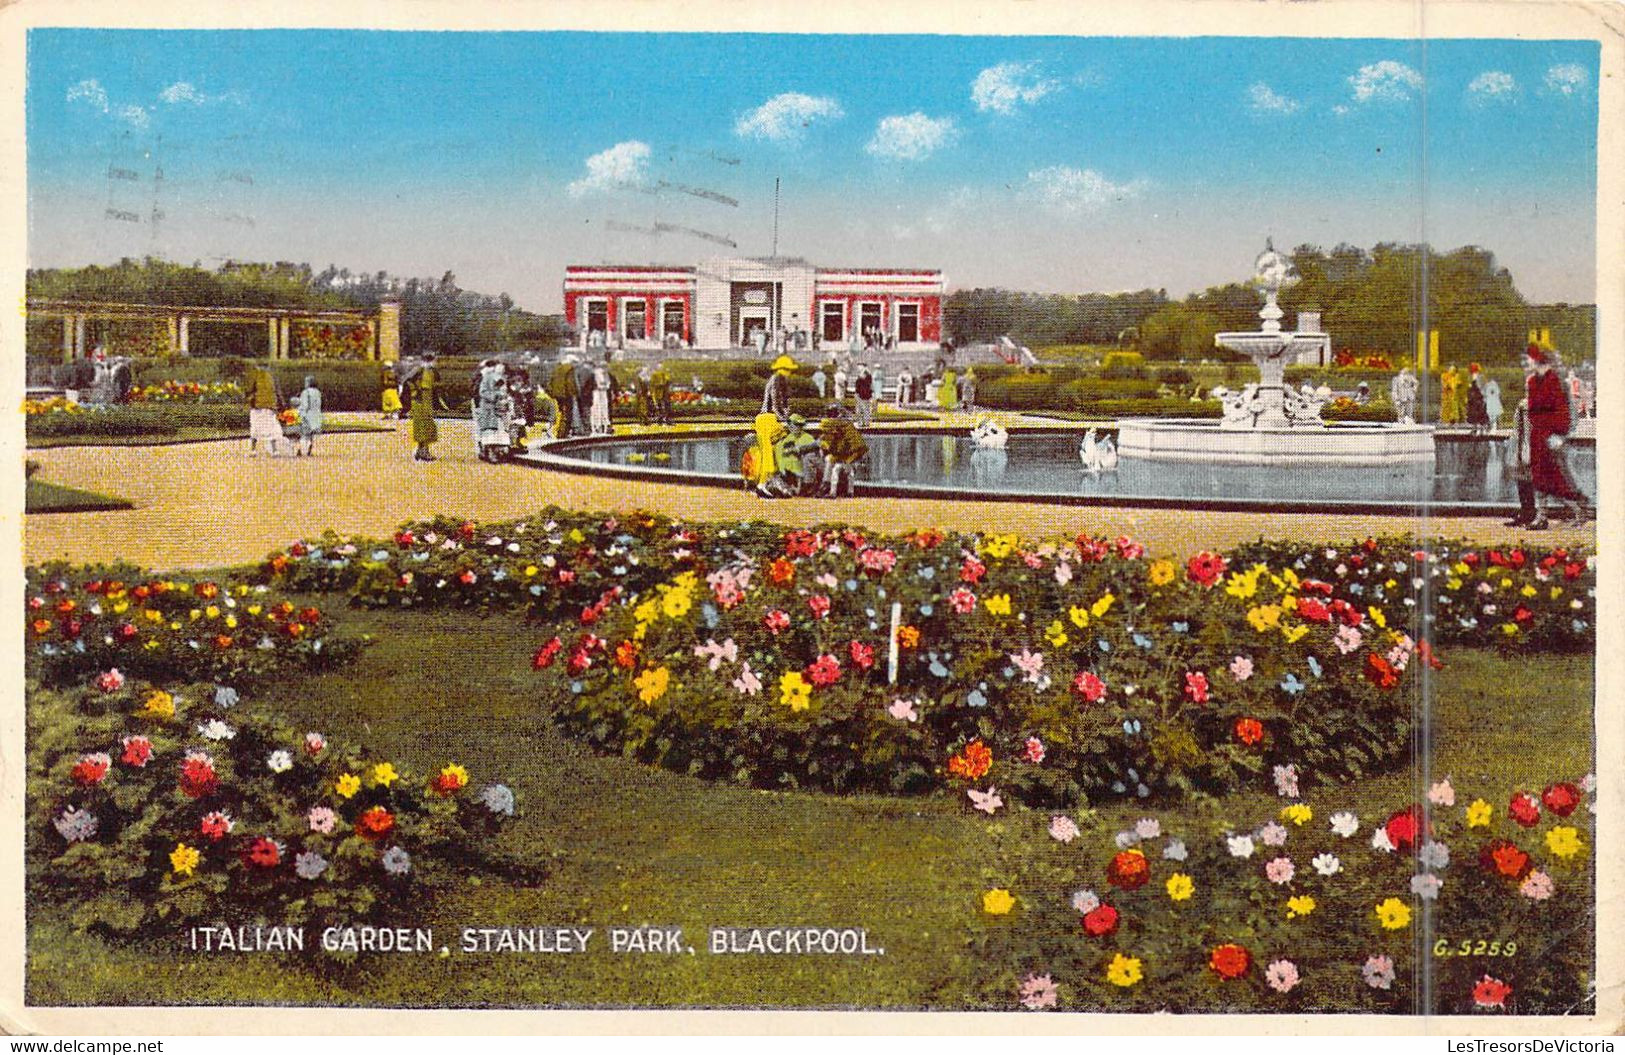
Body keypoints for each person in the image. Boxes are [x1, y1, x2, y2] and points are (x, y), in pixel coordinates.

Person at [1523, 344, 1590, 526]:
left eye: (1529, 358)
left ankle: (1578, 509)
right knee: (1538, 476)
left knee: (1556, 477)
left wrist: (1559, 434)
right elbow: (1531, 410)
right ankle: (1542, 516)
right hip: (1537, 435)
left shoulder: (1555, 380)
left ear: (1537, 360)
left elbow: (1562, 410)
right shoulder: (1531, 381)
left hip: (1551, 436)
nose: (1526, 361)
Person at [819, 404, 868, 497]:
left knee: (845, 471)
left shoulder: (847, 426)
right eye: (830, 415)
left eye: (833, 414)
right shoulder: (829, 427)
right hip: (840, 456)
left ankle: (849, 492)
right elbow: (827, 445)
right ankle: (826, 486)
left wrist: (850, 460)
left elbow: (859, 448)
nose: (831, 418)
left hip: (852, 457)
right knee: (830, 461)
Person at [1504, 397, 1537, 528]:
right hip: (1522, 446)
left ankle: (1531, 514)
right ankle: (1526, 512)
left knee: (1528, 482)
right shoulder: (1524, 404)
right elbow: (1518, 429)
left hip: (1528, 447)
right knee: (1522, 481)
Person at [244, 362, 283, 456]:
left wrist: (248, 398)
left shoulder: (255, 375)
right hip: (270, 406)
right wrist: (281, 404)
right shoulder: (272, 376)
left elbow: (249, 389)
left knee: (255, 428)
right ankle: (275, 451)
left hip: (257, 405)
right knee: (271, 428)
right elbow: (277, 391)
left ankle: (253, 450)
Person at [407, 354, 440, 461]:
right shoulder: (419, 370)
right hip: (420, 400)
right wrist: (416, 392)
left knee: (427, 425)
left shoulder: (430, 371)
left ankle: (421, 450)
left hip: (427, 400)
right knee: (423, 426)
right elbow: (409, 381)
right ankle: (424, 451)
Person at [548, 355, 579, 438]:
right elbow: (570, 382)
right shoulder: (569, 369)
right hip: (566, 394)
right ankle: (563, 433)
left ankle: (558, 431)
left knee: (560, 412)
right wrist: (574, 392)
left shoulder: (556, 368)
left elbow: (550, 381)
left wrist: (551, 393)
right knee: (567, 414)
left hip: (557, 395)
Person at [292, 375, 323, 457]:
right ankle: (310, 448)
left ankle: (300, 450)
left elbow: (304, 405)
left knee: (303, 434)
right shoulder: (318, 392)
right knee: (311, 435)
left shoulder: (306, 392)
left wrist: (299, 412)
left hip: (308, 416)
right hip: (316, 416)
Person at [762, 354, 795, 421]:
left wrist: (786, 410)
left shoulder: (783, 379)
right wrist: (781, 417)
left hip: (777, 410)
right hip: (769, 413)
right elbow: (774, 400)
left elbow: (784, 397)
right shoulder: (775, 378)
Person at [590, 358, 615, 435]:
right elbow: (598, 384)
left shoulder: (605, 374)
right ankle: (597, 426)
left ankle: (604, 426)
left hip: (603, 393)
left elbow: (608, 383)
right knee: (597, 409)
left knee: (604, 409)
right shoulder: (596, 373)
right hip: (597, 392)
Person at [1466, 364, 1490, 433]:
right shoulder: (1471, 377)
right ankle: (1476, 428)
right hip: (1474, 399)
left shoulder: (1480, 377)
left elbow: (1483, 388)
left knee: (1480, 413)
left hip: (1479, 398)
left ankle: (1480, 428)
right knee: (1474, 414)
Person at [649, 361, 673, 426]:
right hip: (657, 393)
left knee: (666, 406)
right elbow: (652, 384)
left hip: (664, 393)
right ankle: (659, 419)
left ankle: (666, 419)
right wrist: (660, 385)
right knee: (658, 406)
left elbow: (667, 381)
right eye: (659, 366)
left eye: (661, 366)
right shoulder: (654, 375)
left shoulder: (664, 374)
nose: (661, 367)